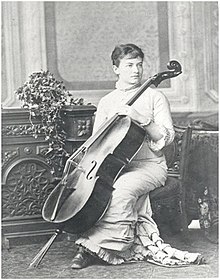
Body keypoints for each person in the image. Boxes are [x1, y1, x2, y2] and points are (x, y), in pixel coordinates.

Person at [71, 43, 205, 269]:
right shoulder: (107, 102)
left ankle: (92, 247)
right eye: (129, 65)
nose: (136, 70)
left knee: (121, 190)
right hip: (117, 166)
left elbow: (167, 138)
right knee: (96, 190)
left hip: (151, 166)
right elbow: (97, 143)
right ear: (116, 68)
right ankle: (100, 243)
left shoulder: (155, 97)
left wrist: (139, 117)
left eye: (139, 65)